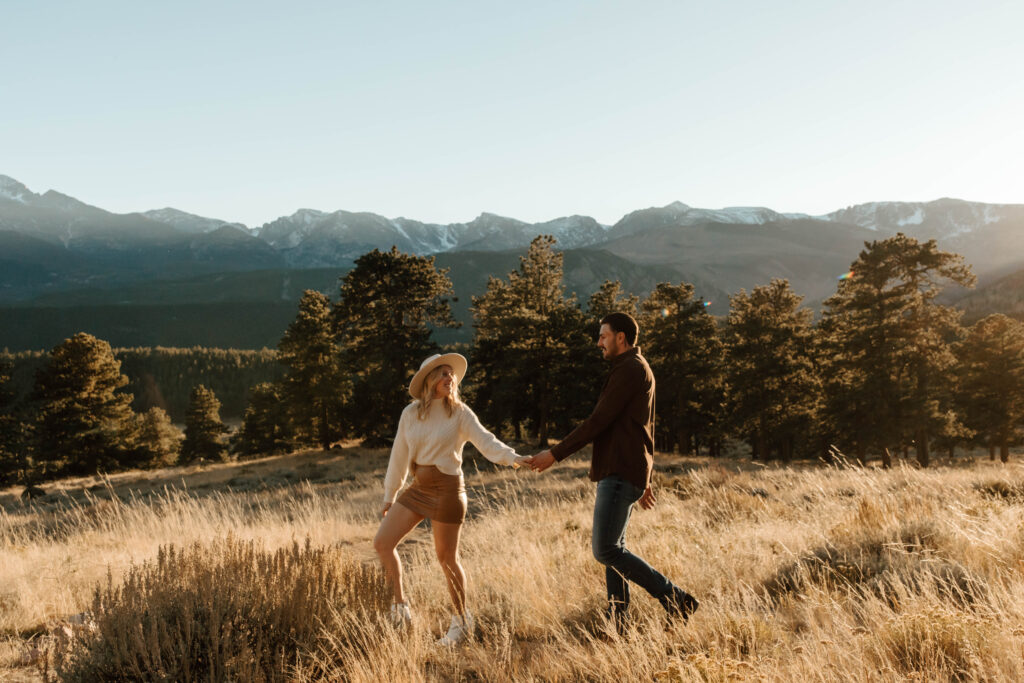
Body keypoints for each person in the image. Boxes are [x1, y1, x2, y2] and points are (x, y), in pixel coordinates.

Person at [526, 312, 699, 632]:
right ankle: (618, 622)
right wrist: (645, 477)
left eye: (604, 336)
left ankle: (675, 598)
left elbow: (598, 421)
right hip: (625, 470)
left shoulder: (631, 369)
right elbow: (645, 426)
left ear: (622, 337)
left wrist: (554, 453)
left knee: (606, 549)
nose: (599, 342)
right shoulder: (633, 368)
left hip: (620, 470)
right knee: (613, 550)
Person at [373, 352, 530, 646]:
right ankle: (401, 609)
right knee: (382, 543)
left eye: (451, 373)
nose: (450, 377)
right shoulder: (410, 414)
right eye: (443, 373)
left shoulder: (460, 413)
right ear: (429, 380)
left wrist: (515, 459)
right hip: (419, 488)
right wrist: (390, 494)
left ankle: (461, 621)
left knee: (446, 559)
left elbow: (486, 441)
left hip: (448, 490)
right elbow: (399, 455)